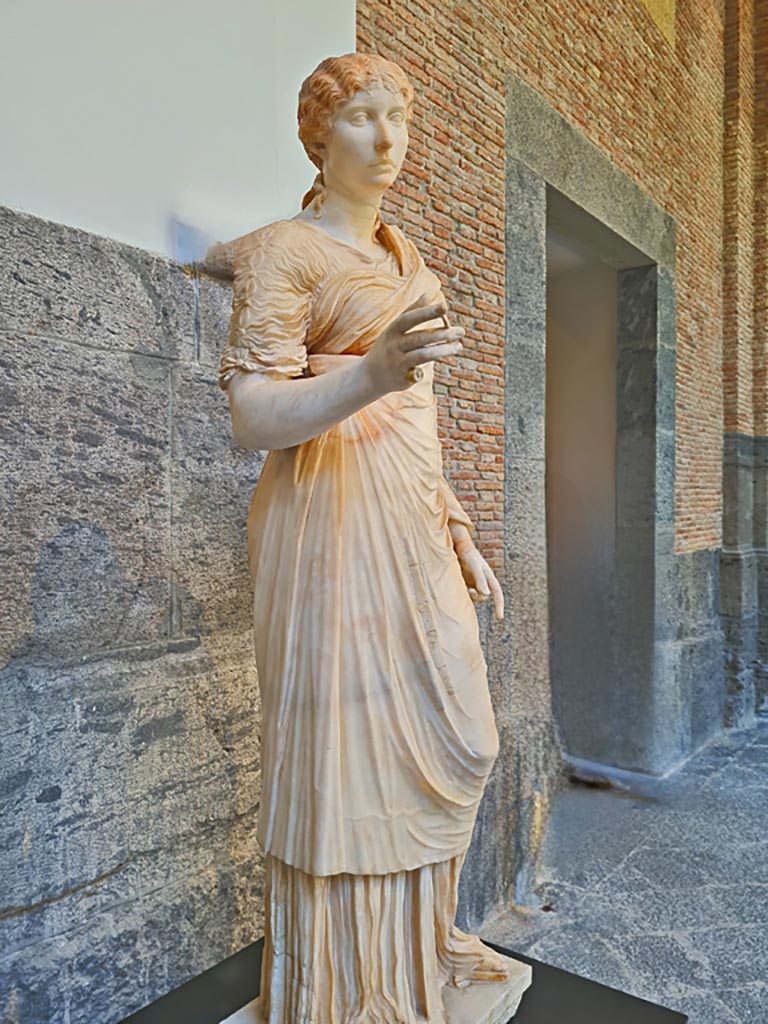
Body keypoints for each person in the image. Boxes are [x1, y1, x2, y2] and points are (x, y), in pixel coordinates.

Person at [209, 52, 512, 1024]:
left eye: (400, 118)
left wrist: (458, 528)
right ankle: (341, 993)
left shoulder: (406, 256)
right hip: (327, 522)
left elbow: (418, 413)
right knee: (342, 760)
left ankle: (418, 958)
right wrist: (369, 374)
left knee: (464, 737)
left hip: (411, 522)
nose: (387, 140)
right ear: (317, 135)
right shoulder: (281, 252)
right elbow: (252, 413)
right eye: (362, 119)